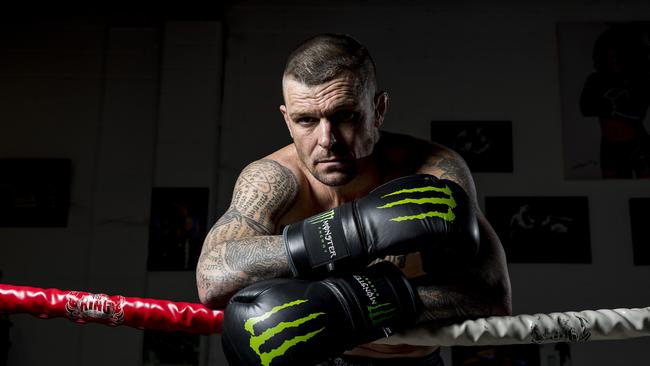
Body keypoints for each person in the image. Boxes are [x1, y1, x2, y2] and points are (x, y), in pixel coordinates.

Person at [196, 33, 512, 365]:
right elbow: (212, 276)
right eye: (306, 120)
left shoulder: (434, 170)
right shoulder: (273, 179)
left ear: (378, 110)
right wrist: (349, 232)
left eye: (344, 115)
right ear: (287, 121)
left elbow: (493, 298)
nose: (327, 140)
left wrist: (354, 305)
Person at [580, 23, 650, 178]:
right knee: (613, 186)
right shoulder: (596, 80)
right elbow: (585, 107)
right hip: (610, 145)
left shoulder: (637, 79)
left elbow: (638, 112)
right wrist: (614, 106)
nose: (613, 63)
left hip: (636, 143)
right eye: (609, 58)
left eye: (617, 58)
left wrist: (610, 106)